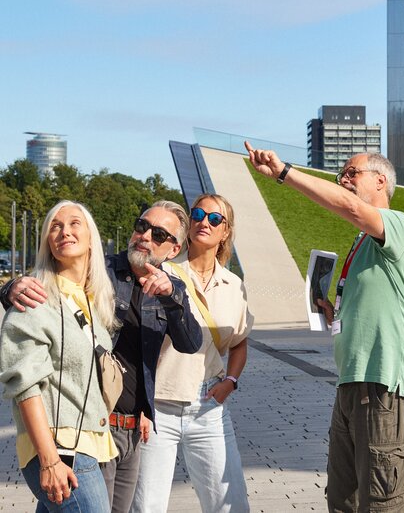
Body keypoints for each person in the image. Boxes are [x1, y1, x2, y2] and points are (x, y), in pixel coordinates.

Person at [245, 142, 404, 512]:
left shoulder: (400, 225)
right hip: (352, 383)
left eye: (351, 173)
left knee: (381, 504)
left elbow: (352, 208)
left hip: (386, 386)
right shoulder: (362, 242)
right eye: (340, 174)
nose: (343, 179)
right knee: (343, 499)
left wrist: (284, 173)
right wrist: (333, 314)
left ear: (381, 180)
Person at [1, 201, 203, 513]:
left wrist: (172, 297)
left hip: (132, 428)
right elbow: (49, 282)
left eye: (159, 234)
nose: (146, 236)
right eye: (142, 226)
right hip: (88, 426)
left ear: (173, 249)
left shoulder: (170, 287)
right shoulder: (99, 273)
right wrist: (12, 287)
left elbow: (190, 343)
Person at [131, 193, 253, 513]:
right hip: (158, 407)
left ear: (225, 232)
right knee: (146, 506)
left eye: (215, 219)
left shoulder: (232, 284)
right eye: (198, 214)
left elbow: (240, 342)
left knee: (231, 504)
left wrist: (231, 380)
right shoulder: (163, 272)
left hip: (209, 408)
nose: (204, 222)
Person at [0, 201, 118, 511]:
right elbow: (25, 384)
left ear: (91, 237)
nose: (65, 230)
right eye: (55, 226)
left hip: (88, 445)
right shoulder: (36, 298)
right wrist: (50, 459)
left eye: (74, 223)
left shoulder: (93, 300)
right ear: (48, 245)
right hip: (60, 450)